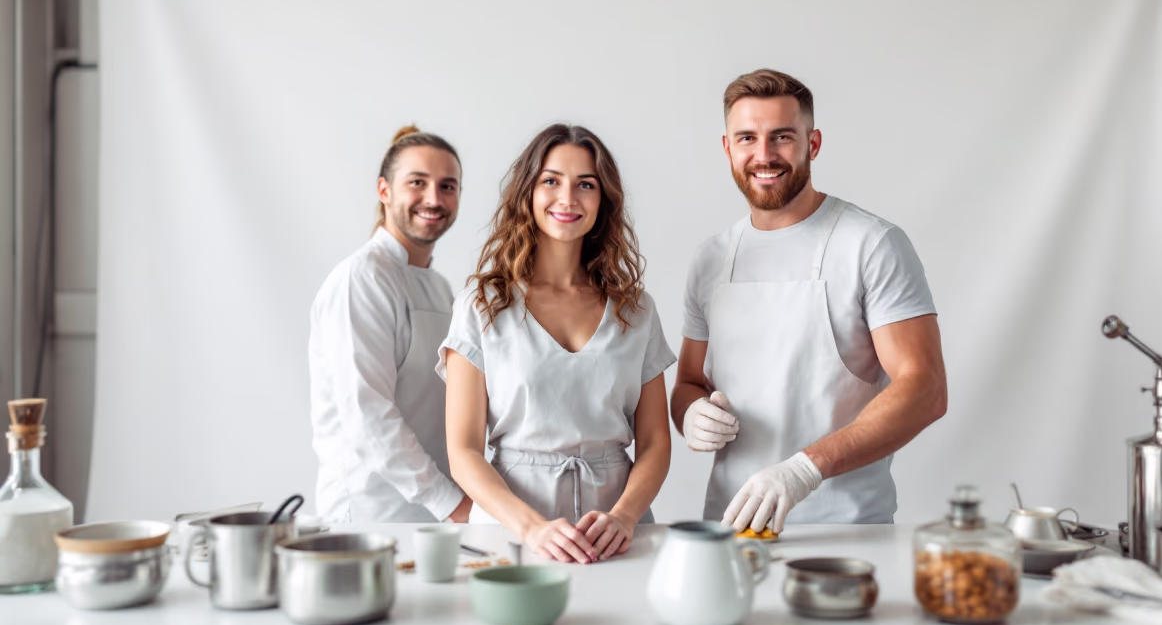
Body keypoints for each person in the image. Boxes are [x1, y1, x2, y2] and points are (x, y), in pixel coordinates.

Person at [671, 69, 947, 532]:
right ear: (727, 148)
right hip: (731, 525)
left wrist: (804, 469)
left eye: (782, 137)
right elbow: (688, 383)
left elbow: (926, 389)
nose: (764, 155)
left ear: (812, 144)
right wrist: (689, 414)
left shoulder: (870, 244)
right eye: (747, 138)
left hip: (847, 531)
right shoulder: (711, 259)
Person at [441, 124, 673, 564]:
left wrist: (624, 517)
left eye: (585, 184)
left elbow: (656, 443)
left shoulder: (636, 309)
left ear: (603, 200)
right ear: (528, 192)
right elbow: (463, 451)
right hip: (509, 531)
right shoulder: (482, 305)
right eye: (551, 181)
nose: (567, 198)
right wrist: (532, 528)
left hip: (616, 536)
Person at [309, 126, 472, 524]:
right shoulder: (361, 279)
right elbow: (368, 415)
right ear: (384, 190)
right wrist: (451, 504)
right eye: (418, 182)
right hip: (370, 514)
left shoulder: (440, 288)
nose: (434, 199)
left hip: (436, 512)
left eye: (447, 186)